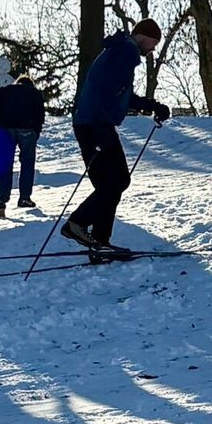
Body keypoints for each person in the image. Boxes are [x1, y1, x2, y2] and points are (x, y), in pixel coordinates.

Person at [61, 19, 171, 251]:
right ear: (143, 36)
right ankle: (77, 223)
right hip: (96, 124)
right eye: (153, 43)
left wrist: (152, 106)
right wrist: (102, 130)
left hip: (88, 122)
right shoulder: (126, 52)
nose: (152, 49)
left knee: (109, 184)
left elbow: (120, 93)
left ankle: (100, 241)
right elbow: (109, 91)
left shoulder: (117, 50)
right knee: (118, 180)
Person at [0, 75, 46, 218]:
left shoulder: (6, 90)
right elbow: (40, 115)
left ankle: (1, 203)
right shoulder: (35, 93)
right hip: (27, 129)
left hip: (5, 129)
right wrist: (36, 132)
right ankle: (24, 198)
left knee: (5, 164)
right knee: (27, 163)